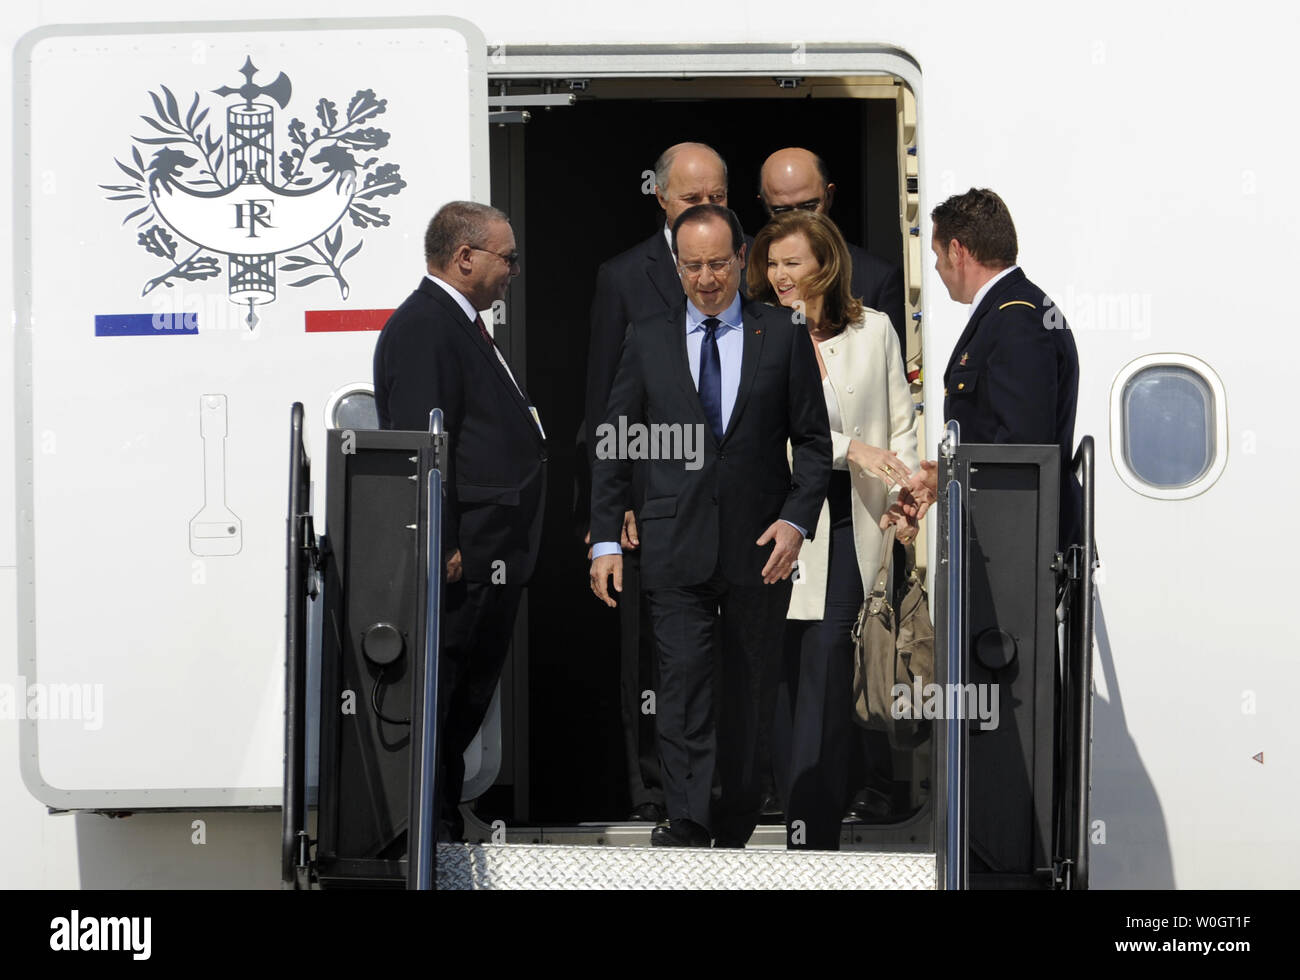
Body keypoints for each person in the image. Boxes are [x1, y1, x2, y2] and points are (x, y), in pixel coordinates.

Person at [589, 204, 831, 847]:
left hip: (758, 546)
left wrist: (795, 521)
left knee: (749, 688)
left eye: (717, 264)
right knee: (682, 684)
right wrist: (607, 537)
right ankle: (688, 819)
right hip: (674, 541)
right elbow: (614, 441)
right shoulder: (648, 336)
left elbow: (812, 443)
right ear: (676, 266)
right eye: (691, 266)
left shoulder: (781, 334)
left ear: (739, 257)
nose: (705, 278)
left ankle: (738, 816)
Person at [372, 201, 546, 840]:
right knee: (445, 690)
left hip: (489, 546)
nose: (515, 270)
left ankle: (440, 813)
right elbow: (424, 441)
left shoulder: (462, 323)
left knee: (467, 689)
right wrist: (441, 540)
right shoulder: (426, 326)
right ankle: (427, 823)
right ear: (465, 257)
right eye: (509, 257)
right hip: (463, 551)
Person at [747, 210, 919, 850]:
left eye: (792, 262)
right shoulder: (758, 331)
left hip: (851, 526)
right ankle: (790, 815)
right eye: (771, 263)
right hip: (783, 522)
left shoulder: (873, 329)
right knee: (784, 676)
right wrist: (853, 449)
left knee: (827, 668)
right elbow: (771, 438)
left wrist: (906, 492)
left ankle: (813, 830)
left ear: (826, 264)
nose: (779, 274)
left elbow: (900, 423)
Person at [584, 141, 733, 824]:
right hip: (656, 506)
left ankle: (729, 791)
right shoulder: (623, 276)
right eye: (690, 200)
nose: (705, 211)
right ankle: (656, 793)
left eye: (717, 200)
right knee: (655, 663)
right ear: (660, 198)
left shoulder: (750, 260)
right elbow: (607, 410)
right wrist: (613, 515)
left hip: (739, 509)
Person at [906, 188, 1080, 550]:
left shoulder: (1018, 319)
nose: (937, 267)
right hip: (1008, 536)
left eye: (938, 255)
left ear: (958, 251)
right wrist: (948, 478)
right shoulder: (1011, 312)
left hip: (1018, 546)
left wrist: (957, 476)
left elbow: (1022, 449)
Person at [758, 147, 906, 348]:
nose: (798, 219)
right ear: (764, 205)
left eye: (809, 207)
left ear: (829, 195)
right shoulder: (751, 277)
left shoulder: (878, 280)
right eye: (782, 211)